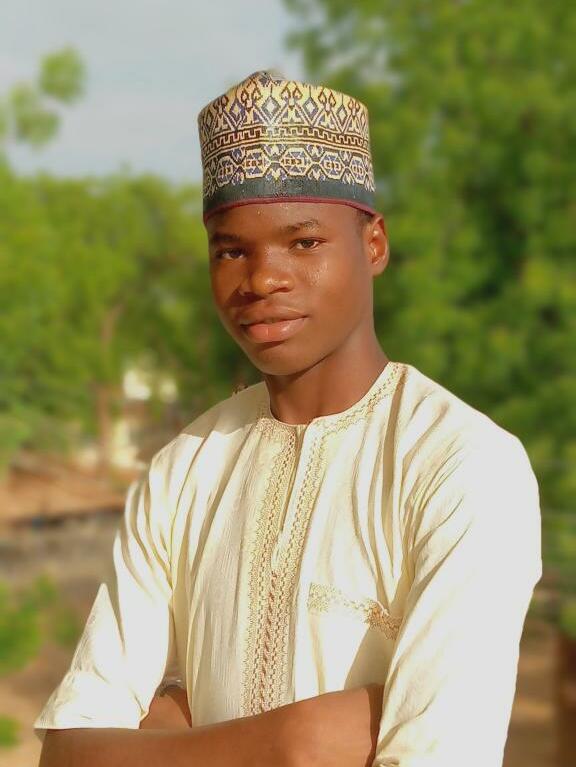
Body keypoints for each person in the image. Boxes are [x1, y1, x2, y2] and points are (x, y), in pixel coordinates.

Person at [35, 70, 542, 767]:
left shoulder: (459, 463)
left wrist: (167, 734)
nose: (261, 279)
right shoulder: (186, 468)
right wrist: (293, 739)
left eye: (303, 243)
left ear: (373, 244)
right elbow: (68, 751)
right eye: (231, 250)